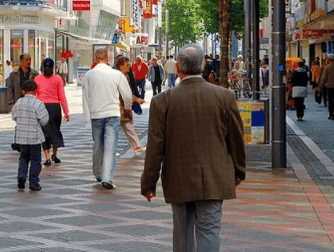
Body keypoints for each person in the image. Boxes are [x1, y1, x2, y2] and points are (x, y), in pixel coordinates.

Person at [141, 44, 246, 252]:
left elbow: (155, 146)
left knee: (182, 232)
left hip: (178, 177)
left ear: (178, 68)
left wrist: (148, 182)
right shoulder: (225, 97)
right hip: (215, 176)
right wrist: (239, 171)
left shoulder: (163, 101)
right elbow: (236, 138)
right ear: (204, 66)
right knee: (210, 230)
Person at [81, 49, 133, 190]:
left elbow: (85, 98)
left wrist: (87, 119)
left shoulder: (88, 75)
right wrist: (127, 107)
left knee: (98, 145)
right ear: (107, 58)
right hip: (112, 114)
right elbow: (127, 95)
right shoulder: (116, 74)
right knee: (110, 147)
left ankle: (98, 172)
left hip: (96, 115)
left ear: (95, 58)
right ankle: (107, 178)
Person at [12, 80, 49, 191]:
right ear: (35, 91)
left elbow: (13, 116)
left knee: (23, 157)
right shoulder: (38, 104)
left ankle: (22, 176)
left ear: (23, 91)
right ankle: (33, 182)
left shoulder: (18, 103)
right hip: (35, 137)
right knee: (35, 160)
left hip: (21, 137)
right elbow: (44, 120)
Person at [34, 58, 70, 166]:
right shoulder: (58, 79)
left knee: (44, 133)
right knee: (55, 130)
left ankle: (47, 157)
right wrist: (66, 111)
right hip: (55, 108)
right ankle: (55, 154)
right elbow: (62, 96)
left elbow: (34, 95)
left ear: (43, 67)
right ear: (54, 67)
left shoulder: (37, 79)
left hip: (41, 107)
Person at [116, 56, 147, 155]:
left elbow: (127, 93)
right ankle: (109, 150)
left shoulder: (126, 76)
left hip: (123, 105)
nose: (129, 67)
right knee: (113, 128)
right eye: (127, 65)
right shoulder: (119, 76)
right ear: (121, 66)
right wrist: (134, 100)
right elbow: (125, 93)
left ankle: (137, 146)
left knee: (128, 126)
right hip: (119, 106)